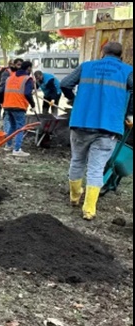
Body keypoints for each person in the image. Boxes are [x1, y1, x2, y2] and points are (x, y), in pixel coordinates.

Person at [60, 42, 133, 220]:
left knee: (77, 160)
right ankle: (89, 210)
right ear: (120, 55)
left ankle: (74, 197)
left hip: (81, 123)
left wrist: (75, 100)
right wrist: (130, 113)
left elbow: (64, 84)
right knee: (96, 167)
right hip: (108, 127)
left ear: (103, 52)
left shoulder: (87, 66)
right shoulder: (127, 71)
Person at [0, 60, 36, 157]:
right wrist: (33, 105)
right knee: (20, 128)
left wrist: (1, 102)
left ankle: (8, 145)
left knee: (13, 126)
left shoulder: (10, 78)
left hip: (7, 105)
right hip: (18, 106)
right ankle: (17, 149)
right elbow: (27, 93)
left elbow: (1, 91)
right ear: (28, 68)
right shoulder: (27, 79)